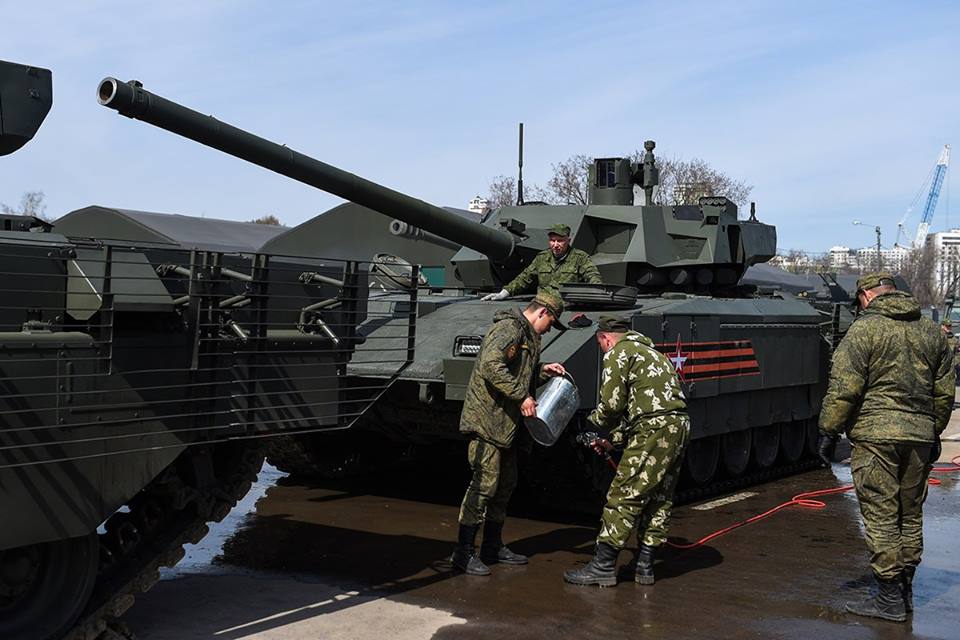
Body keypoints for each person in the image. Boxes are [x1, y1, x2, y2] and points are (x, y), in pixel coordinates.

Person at [818, 272, 954, 622]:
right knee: (910, 515)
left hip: (876, 436)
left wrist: (828, 432)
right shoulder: (931, 331)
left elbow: (844, 388)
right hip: (919, 436)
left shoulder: (864, 329)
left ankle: (889, 599)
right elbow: (944, 392)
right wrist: (933, 432)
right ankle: (904, 590)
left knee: (881, 516)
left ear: (866, 295)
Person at [563, 315, 690, 587]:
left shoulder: (619, 353)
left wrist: (588, 424)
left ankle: (603, 566)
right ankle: (645, 566)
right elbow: (641, 404)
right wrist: (615, 441)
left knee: (623, 495)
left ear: (606, 338)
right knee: (659, 496)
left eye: (600, 344)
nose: (602, 349)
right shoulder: (652, 353)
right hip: (677, 427)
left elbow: (611, 406)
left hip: (653, 428)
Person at [452, 289, 568, 575]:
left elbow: (519, 370)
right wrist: (521, 396)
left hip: (507, 424)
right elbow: (490, 365)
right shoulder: (509, 329)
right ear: (542, 312)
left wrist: (544, 370)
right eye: (551, 322)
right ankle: (463, 552)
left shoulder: (528, 334)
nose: (549, 328)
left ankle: (492, 545)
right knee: (484, 485)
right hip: (487, 420)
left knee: (505, 485)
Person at [481, 224, 601, 300]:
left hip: (567, 306)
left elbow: (592, 275)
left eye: (560, 241)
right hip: (542, 306)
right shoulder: (542, 258)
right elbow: (524, 278)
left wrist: (598, 293)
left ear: (568, 240)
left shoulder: (580, 257)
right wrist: (504, 293)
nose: (555, 245)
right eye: (552, 240)